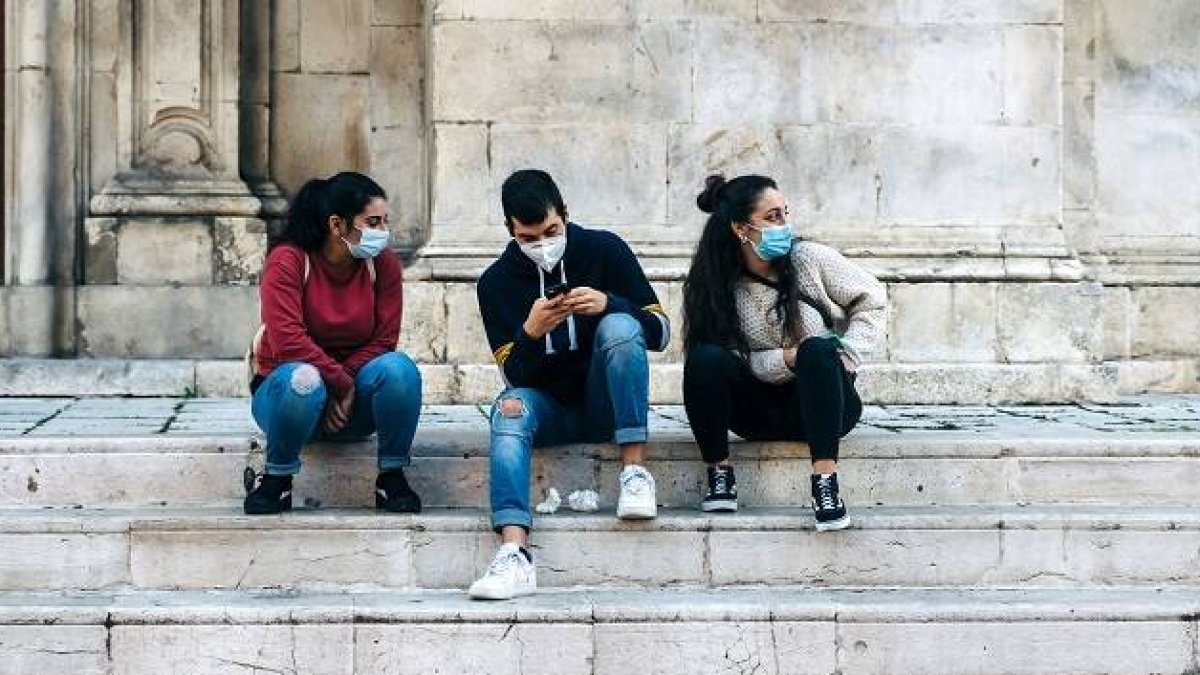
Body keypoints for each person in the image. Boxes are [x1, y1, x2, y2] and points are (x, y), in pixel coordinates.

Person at [468, 169, 671, 599]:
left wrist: (610, 304)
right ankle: (514, 554)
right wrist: (530, 333)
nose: (542, 244)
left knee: (618, 326)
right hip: (549, 410)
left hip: (607, 404)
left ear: (565, 214)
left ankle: (635, 471)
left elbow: (661, 332)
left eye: (551, 231)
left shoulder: (604, 249)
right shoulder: (496, 282)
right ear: (510, 231)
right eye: (528, 237)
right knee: (508, 408)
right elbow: (516, 379)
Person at [681, 174, 886, 530]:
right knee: (704, 360)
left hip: (824, 403)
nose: (785, 226)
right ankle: (720, 474)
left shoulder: (809, 258)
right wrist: (784, 359)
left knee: (818, 350)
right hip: (755, 410)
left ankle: (825, 484)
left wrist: (848, 353)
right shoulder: (715, 288)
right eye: (773, 217)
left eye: (785, 214)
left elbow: (873, 300)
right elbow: (733, 358)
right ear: (742, 229)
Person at [244, 171, 423, 515]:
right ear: (337, 225)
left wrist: (347, 387)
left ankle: (392, 477)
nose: (382, 232)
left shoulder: (382, 263)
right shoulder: (289, 261)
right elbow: (289, 342)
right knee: (304, 379)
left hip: (350, 405)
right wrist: (340, 384)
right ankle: (277, 480)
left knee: (400, 370)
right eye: (372, 222)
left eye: (385, 221)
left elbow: (384, 340)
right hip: (290, 401)